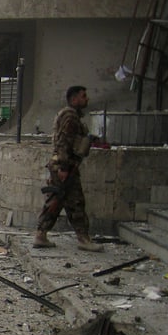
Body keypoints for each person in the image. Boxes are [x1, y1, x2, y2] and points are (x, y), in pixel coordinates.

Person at [34, 85, 103, 252]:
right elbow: (64, 142)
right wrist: (64, 167)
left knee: (56, 201)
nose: (86, 99)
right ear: (74, 99)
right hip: (65, 166)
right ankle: (83, 239)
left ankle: (41, 235)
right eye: (83, 96)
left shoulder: (71, 116)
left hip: (64, 165)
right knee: (76, 202)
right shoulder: (70, 117)